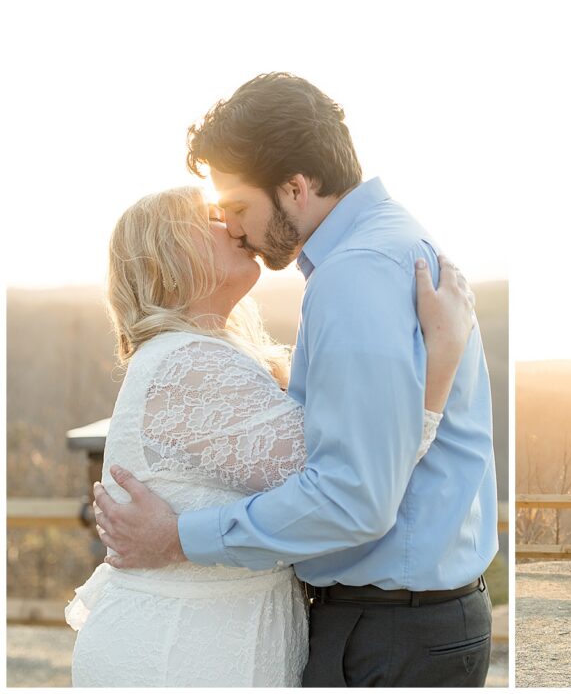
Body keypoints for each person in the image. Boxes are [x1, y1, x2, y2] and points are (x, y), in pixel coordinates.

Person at [92, 73, 498, 687]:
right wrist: (436, 375)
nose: (235, 229)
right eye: (217, 216)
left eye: (237, 208)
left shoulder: (354, 273)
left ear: (295, 187)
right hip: (394, 623)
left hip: (390, 631)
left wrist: (177, 537)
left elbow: (350, 495)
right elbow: (354, 473)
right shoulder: (382, 249)